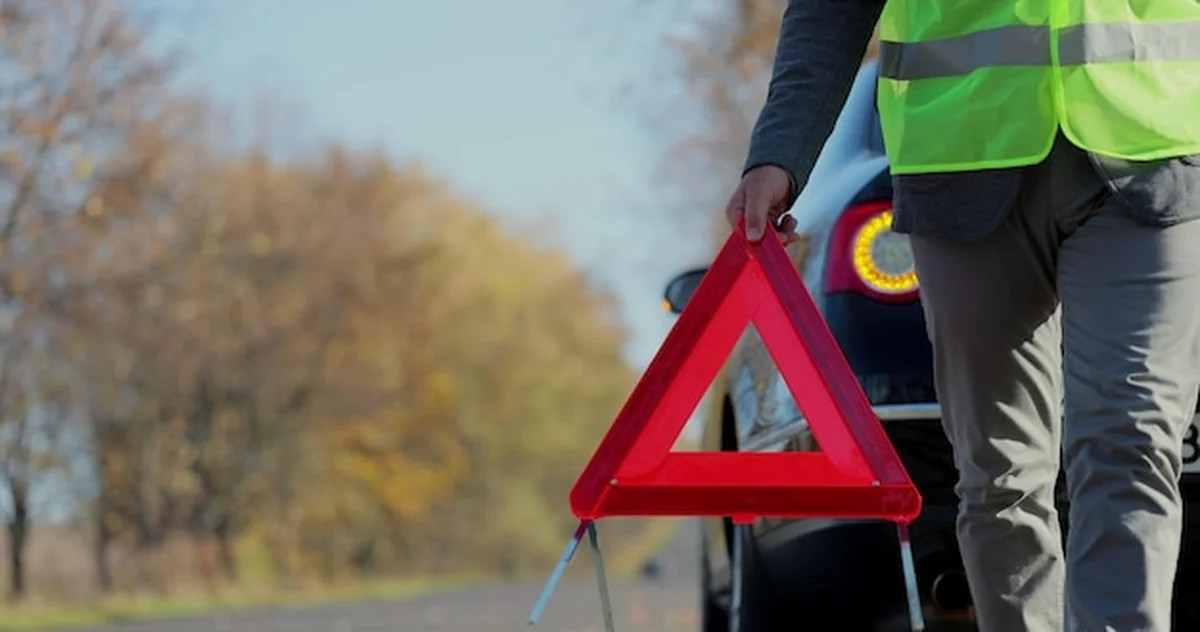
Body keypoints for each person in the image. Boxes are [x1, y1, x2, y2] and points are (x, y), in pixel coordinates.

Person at [725, 2, 1200, 631]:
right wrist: (778, 153)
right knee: (1001, 476)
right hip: (962, 158)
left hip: (1153, 144)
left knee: (1130, 438)